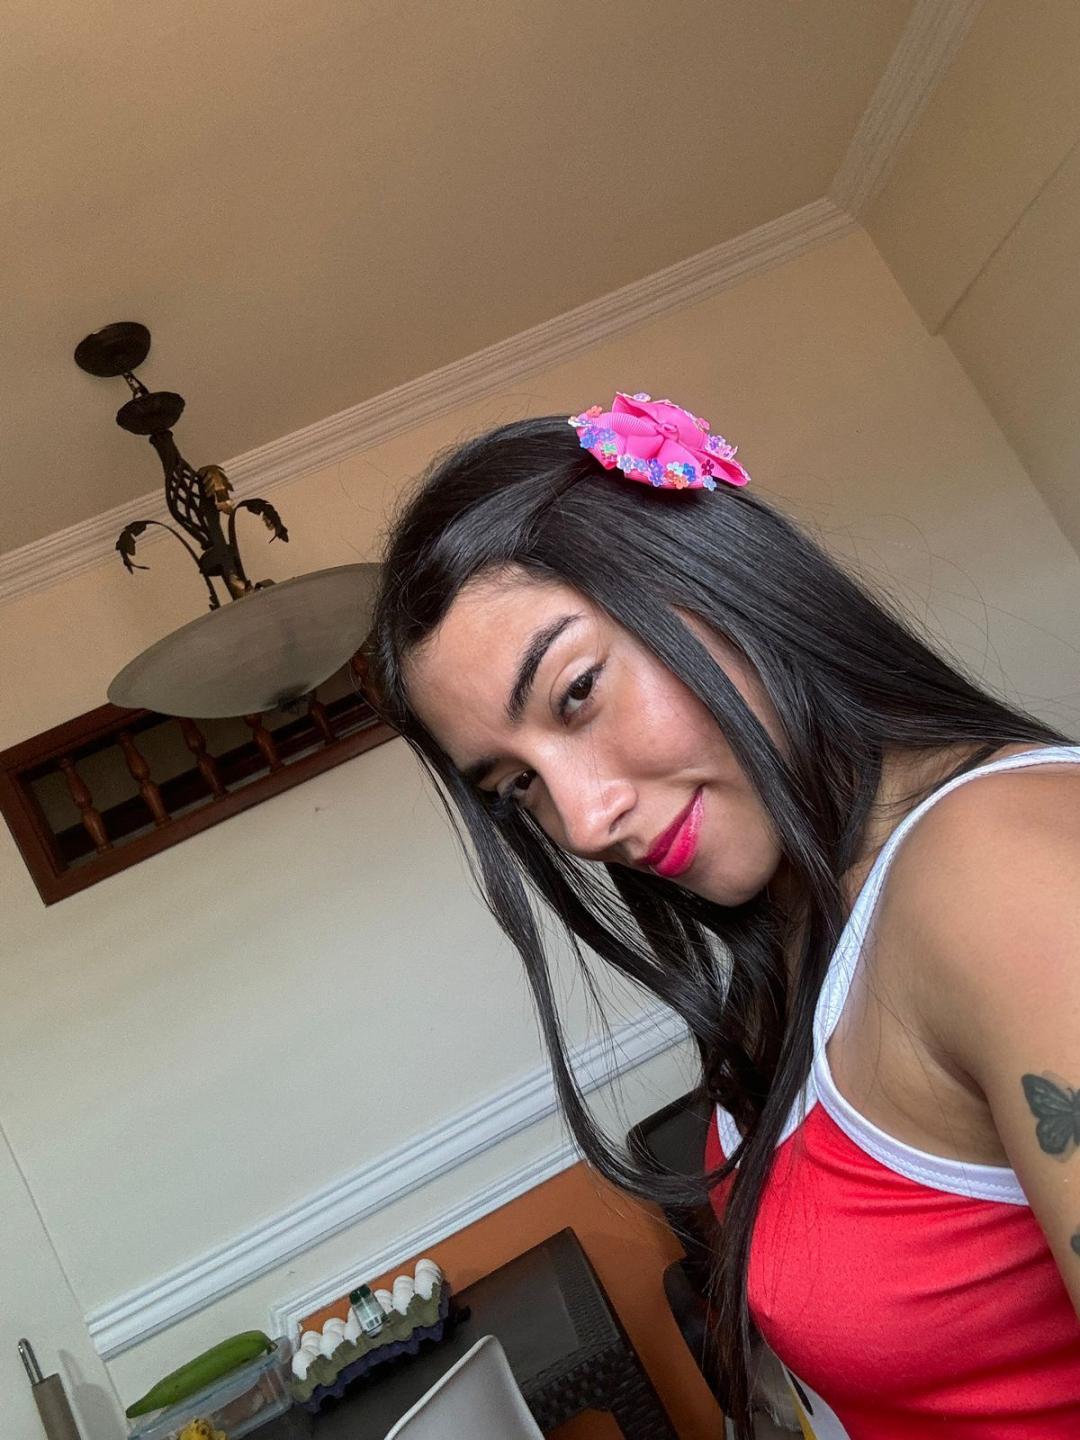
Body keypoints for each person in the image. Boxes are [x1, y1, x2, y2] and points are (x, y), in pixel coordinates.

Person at [369, 392, 1080, 1438]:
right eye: (518, 786)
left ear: (714, 578)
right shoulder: (785, 940)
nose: (584, 819)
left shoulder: (1003, 873)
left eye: (577, 692)